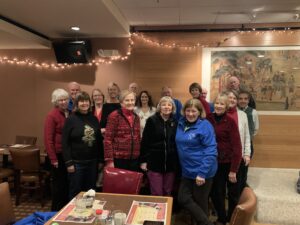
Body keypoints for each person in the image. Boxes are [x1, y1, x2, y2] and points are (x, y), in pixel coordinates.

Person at [176, 99, 217, 225]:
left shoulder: (205, 126)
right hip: (187, 170)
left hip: (202, 171)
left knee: (201, 202)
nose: (190, 114)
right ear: (184, 111)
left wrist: (202, 173)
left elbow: (211, 151)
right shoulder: (181, 123)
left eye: (194, 111)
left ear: (199, 112)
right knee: (182, 198)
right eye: (188, 110)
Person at [206, 93, 242, 225]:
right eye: (217, 103)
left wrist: (233, 170)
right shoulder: (208, 119)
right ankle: (222, 218)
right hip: (214, 162)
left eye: (222, 104)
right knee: (217, 192)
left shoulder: (230, 121)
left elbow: (237, 147)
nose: (219, 106)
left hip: (229, 162)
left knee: (232, 194)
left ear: (226, 106)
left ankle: (232, 219)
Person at [62, 92, 103, 199]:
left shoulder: (94, 119)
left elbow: (99, 140)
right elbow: (65, 143)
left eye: (86, 101)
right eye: (81, 101)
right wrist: (69, 163)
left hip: (92, 162)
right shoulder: (71, 119)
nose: (84, 103)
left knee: (90, 191)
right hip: (76, 164)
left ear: (90, 103)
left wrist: (100, 160)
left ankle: (88, 214)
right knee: (76, 192)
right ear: (77, 103)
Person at [140, 96, 178, 196]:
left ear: (172, 107)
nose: (166, 107)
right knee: (157, 193)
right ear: (159, 107)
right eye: (164, 104)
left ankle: (167, 212)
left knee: (167, 191)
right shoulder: (152, 121)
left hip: (170, 164)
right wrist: (143, 161)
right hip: (154, 163)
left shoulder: (175, 122)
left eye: (169, 105)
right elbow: (145, 141)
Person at [44, 88, 69, 211]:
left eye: (65, 99)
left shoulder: (69, 113)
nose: (63, 102)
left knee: (66, 185)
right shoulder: (51, 115)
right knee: (58, 187)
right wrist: (53, 159)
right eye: (61, 100)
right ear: (56, 101)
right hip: (57, 156)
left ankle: (64, 211)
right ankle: (55, 212)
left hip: (67, 155)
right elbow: (48, 140)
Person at [104, 90, 141, 171]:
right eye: (127, 100)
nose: (130, 102)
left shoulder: (136, 117)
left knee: (132, 183)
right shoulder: (114, 116)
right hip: (119, 159)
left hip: (134, 159)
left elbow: (138, 138)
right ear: (121, 102)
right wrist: (109, 161)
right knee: (119, 183)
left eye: (132, 100)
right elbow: (108, 140)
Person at [227, 90, 251, 195]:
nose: (232, 100)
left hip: (237, 156)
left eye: (234, 98)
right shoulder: (218, 113)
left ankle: (234, 209)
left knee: (235, 188)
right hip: (221, 157)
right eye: (229, 97)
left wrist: (247, 153)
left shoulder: (242, 115)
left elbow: (246, 136)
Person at [238, 90, 259, 191]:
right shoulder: (235, 111)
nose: (243, 101)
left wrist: (248, 137)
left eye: (245, 99)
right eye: (240, 98)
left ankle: (243, 185)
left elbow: (255, 129)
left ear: (248, 100)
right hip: (236, 144)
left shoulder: (253, 112)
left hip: (247, 143)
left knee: (244, 166)